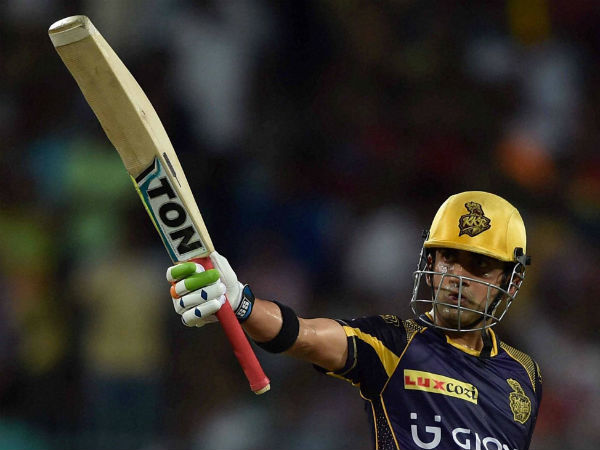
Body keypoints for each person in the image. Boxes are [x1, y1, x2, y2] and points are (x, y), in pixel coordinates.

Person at [167, 191, 542, 450]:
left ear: (510, 282)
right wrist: (241, 303)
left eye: (479, 265)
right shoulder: (394, 343)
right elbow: (304, 335)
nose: (457, 277)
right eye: (449, 259)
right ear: (430, 264)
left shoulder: (525, 376)